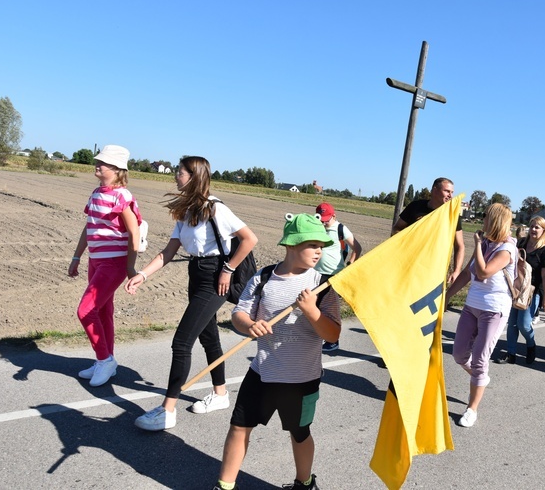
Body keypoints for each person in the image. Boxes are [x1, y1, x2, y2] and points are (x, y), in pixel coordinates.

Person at [125, 156, 258, 431]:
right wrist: (142, 275)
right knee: (208, 336)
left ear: (194, 176)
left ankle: (167, 411)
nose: (176, 176)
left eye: (180, 172)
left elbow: (249, 239)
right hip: (196, 273)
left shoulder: (215, 208)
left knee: (181, 342)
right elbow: (168, 252)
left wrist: (228, 269)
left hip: (214, 278)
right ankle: (220, 394)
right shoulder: (187, 211)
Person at [216, 213, 341, 490]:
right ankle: (224, 485)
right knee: (238, 427)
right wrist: (249, 325)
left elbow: (332, 334)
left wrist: (311, 311)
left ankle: (304, 483)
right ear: (291, 245)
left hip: (302, 380)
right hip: (262, 373)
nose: (319, 250)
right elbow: (239, 313)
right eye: (312, 244)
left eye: (322, 245)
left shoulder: (324, 283)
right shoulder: (262, 278)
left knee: (299, 434)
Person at [68, 145, 142, 387]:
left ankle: (104, 359)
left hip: (114, 263)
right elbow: (89, 227)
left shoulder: (123, 196)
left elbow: (134, 233)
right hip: (96, 261)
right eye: (97, 161)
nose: (97, 165)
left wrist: (131, 267)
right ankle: (107, 360)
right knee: (102, 311)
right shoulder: (96, 193)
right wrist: (77, 257)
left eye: (104, 163)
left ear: (117, 169)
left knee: (85, 310)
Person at [446, 203, 515, 428]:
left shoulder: (507, 249)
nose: (482, 220)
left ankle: (471, 409)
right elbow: (467, 272)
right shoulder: (485, 243)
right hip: (472, 305)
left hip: (494, 309)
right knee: (458, 354)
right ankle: (480, 377)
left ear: (495, 221)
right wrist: (448, 296)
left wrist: (476, 244)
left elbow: (484, 272)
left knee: (480, 359)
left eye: (486, 217)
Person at [497, 215, 545, 365]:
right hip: (515, 288)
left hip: (532, 292)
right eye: (532, 226)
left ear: (543, 230)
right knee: (512, 323)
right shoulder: (521, 243)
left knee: (524, 324)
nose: (533, 229)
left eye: (537, 227)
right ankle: (511, 353)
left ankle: (531, 345)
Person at [392, 177, 465, 285]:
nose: (451, 196)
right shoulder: (415, 207)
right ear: (434, 190)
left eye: (452, 192)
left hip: (436, 270)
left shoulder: (452, 215)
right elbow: (396, 229)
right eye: (447, 191)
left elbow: (460, 245)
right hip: (409, 265)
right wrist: (408, 244)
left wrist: (456, 271)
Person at [314, 202, 362, 352]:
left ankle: (333, 341)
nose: (324, 222)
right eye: (321, 219)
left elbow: (357, 247)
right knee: (315, 306)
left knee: (330, 309)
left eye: (326, 219)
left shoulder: (341, 229)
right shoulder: (317, 227)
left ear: (334, 216)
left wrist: (350, 264)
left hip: (334, 274)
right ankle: (316, 335)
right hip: (316, 273)